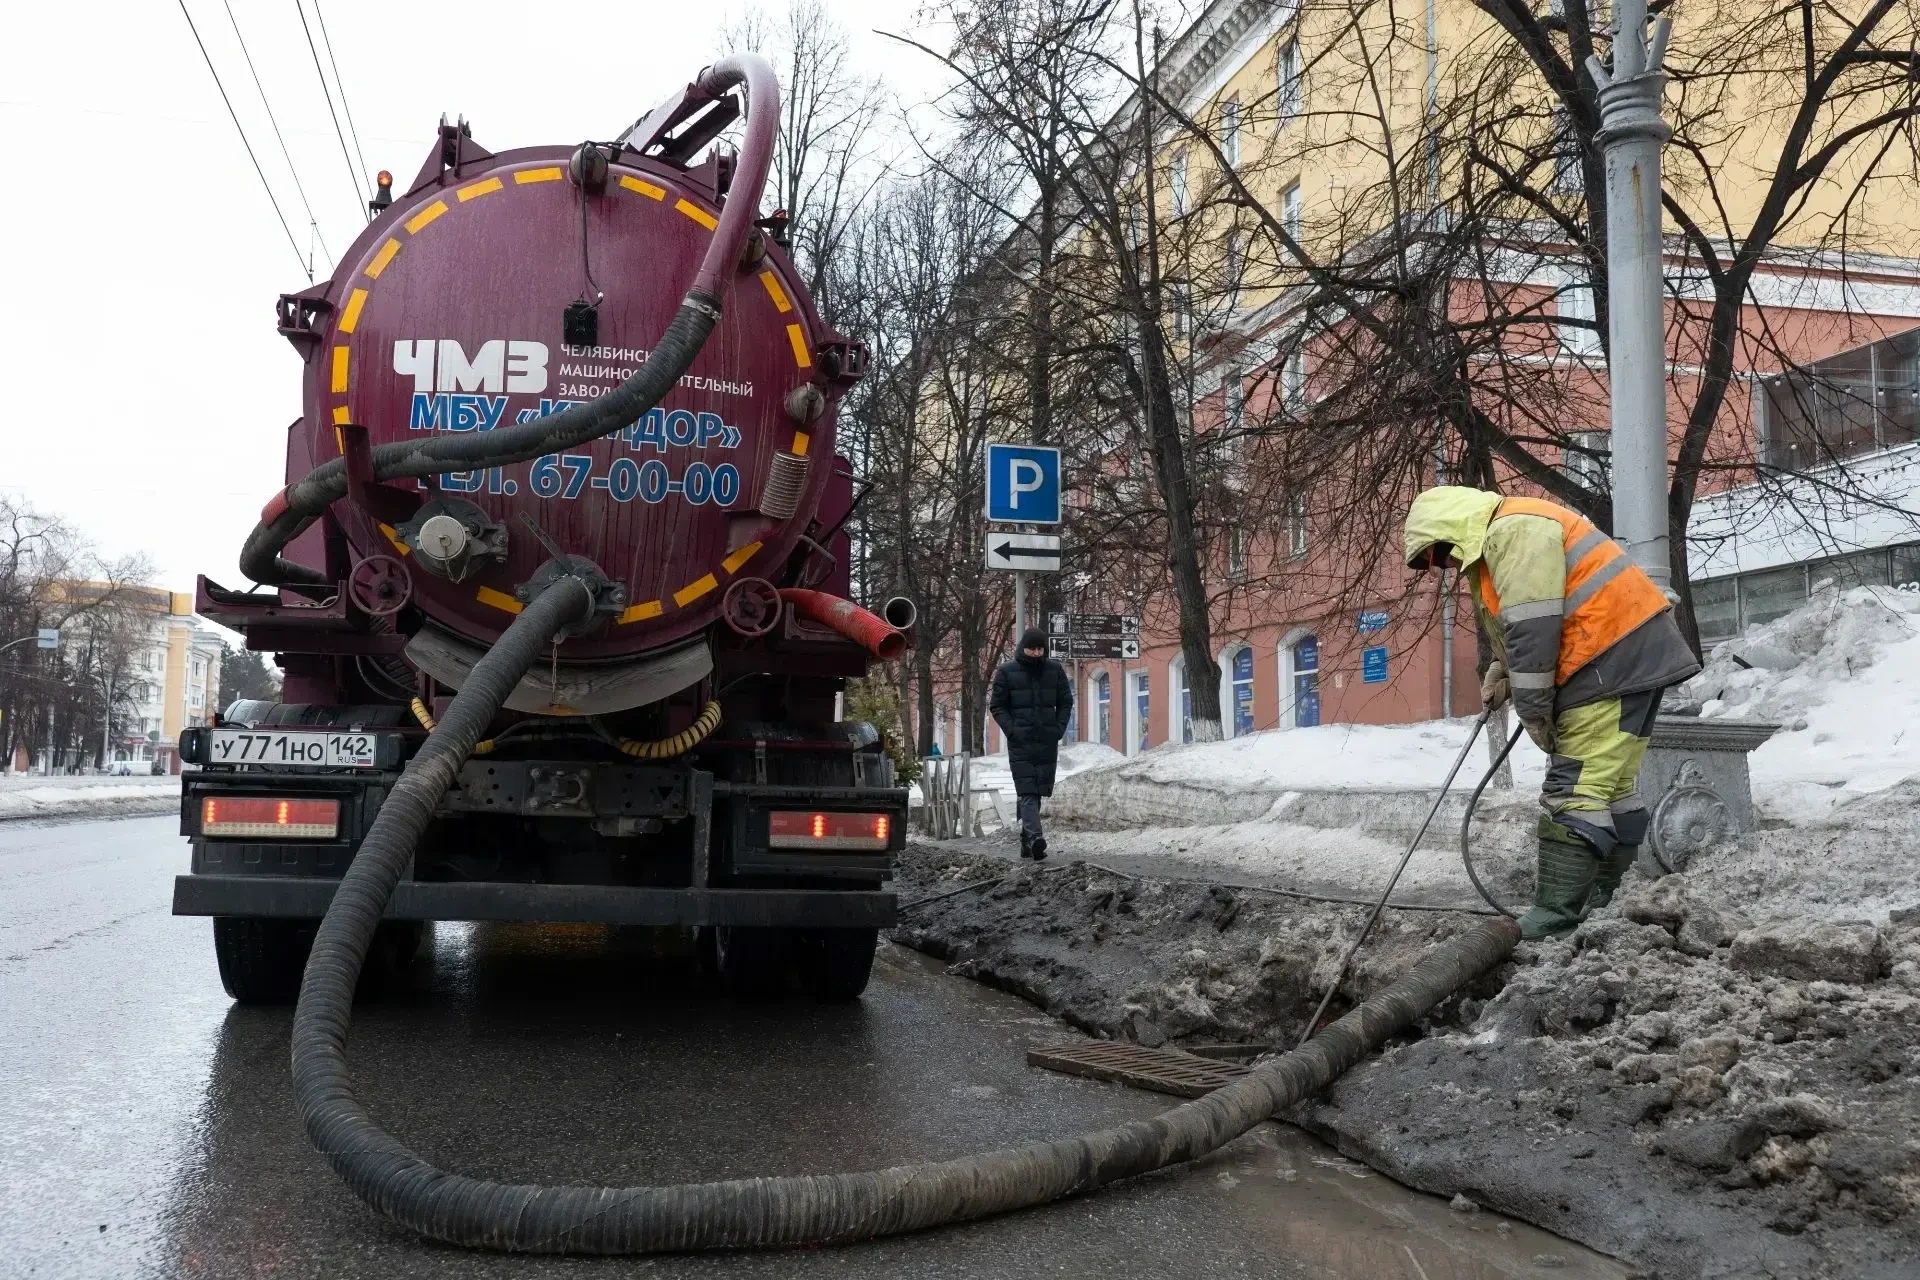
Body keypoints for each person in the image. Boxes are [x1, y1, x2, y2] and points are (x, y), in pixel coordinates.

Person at [1403, 486, 1700, 939]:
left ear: (1450, 531)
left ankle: (1555, 915)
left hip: (1605, 662)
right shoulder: (1517, 528)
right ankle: (1601, 901)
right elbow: (1529, 620)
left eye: (1437, 555)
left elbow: (1535, 627)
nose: (1441, 567)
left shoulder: (1513, 531)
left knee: (1573, 789)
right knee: (1611, 788)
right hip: (1632, 657)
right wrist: (1502, 671)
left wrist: (1533, 706)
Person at [989, 627, 1075, 860]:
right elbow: (997, 705)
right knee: (1027, 790)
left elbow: (1066, 701)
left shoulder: (1054, 670)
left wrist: (1058, 729)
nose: (1036, 653)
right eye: (1032, 648)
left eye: (1040, 649)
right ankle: (1036, 838)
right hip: (1021, 741)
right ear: (1023, 648)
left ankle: (1026, 840)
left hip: (1047, 740)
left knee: (1037, 790)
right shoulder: (1006, 672)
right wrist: (1012, 730)